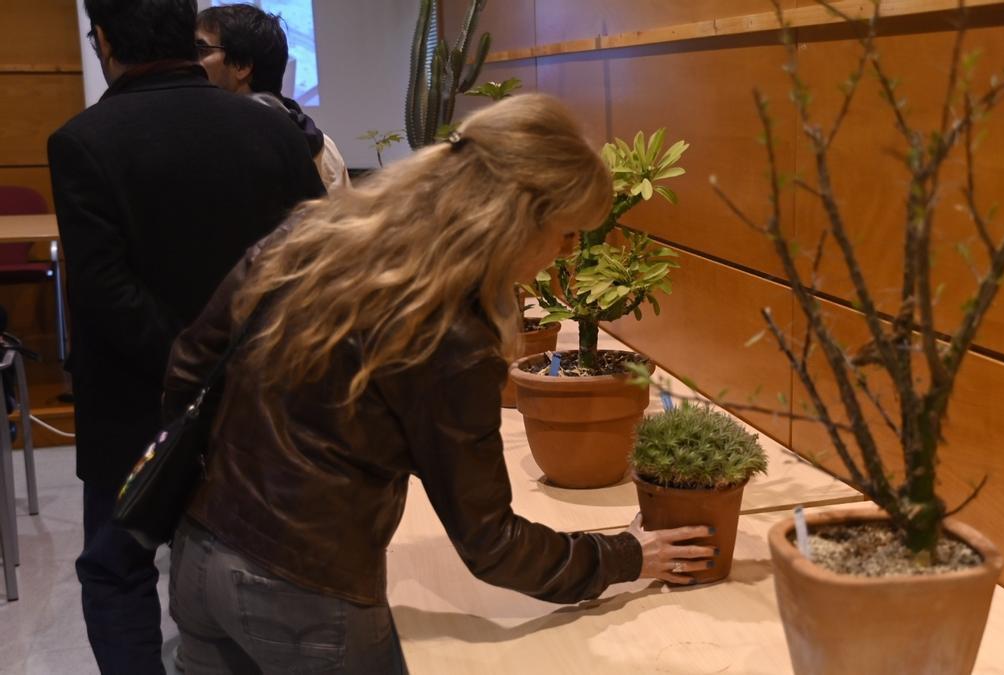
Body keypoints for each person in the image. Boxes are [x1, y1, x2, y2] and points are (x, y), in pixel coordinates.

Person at [163, 93, 714, 674]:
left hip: (199, 552)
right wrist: (626, 555)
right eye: (568, 234)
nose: (563, 256)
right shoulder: (450, 331)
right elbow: (491, 543)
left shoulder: (313, 231)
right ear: (517, 219)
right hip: (307, 597)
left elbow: (187, 367)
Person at [48, 0, 326, 671]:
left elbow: (104, 290)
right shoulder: (273, 128)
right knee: (253, 560)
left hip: (134, 404)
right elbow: (316, 260)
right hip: (261, 395)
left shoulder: (82, 140)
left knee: (118, 568)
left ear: (104, 39)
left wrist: (189, 363)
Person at [196, 4, 352, 191]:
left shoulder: (217, 146)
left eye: (201, 50)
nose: (189, 61)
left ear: (241, 66)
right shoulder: (323, 146)